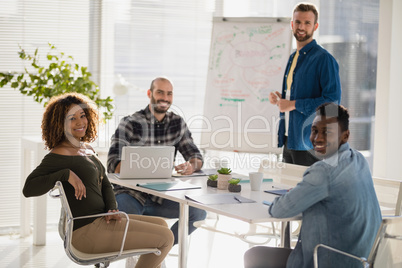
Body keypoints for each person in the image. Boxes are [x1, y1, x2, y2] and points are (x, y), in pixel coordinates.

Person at [22, 93, 174, 268]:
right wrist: (66, 175)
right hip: (86, 233)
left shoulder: (85, 149)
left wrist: (112, 208)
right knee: (166, 238)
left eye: (83, 115)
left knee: (162, 224)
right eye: (72, 118)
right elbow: (29, 188)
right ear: (60, 124)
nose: (80, 122)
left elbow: (106, 183)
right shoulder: (58, 155)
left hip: (102, 220)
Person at [244, 103, 382, 268]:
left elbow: (279, 210)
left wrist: (296, 194)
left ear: (345, 136)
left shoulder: (324, 170)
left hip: (326, 262)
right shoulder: (358, 159)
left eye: (327, 132)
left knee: (253, 255)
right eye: (315, 130)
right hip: (361, 261)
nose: (317, 138)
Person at [107, 76, 207, 245]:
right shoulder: (130, 123)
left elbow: (196, 157)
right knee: (124, 221)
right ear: (149, 93)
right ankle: (145, 251)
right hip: (131, 194)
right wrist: (138, 165)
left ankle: (158, 247)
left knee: (198, 213)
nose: (165, 98)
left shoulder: (177, 123)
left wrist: (191, 166)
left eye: (169, 94)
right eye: (160, 92)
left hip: (162, 196)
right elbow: (112, 164)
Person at [268, 2, 342, 166]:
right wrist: (281, 99)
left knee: (308, 191)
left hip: (309, 144)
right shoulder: (293, 57)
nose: (301, 27)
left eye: (307, 23)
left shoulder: (324, 59)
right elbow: (296, 95)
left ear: (315, 26)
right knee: (287, 189)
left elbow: (332, 103)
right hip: (289, 139)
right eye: (298, 22)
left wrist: (293, 104)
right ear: (292, 24)